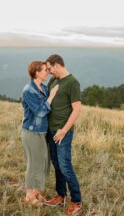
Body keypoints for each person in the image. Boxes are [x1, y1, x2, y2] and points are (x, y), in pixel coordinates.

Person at [44, 54, 83, 215]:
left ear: (57, 65)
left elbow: (77, 110)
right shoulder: (54, 81)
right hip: (50, 130)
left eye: (50, 68)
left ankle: (76, 201)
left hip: (62, 132)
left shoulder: (72, 82)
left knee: (65, 166)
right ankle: (61, 195)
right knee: (57, 165)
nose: (49, 72)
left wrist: (64, 130)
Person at [21, 61, 59, 206]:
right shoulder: (28, 90)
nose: (47, 72)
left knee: (42, 163)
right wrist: (52, 96)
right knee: (33, 164)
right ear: (36, 72)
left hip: (42, 132)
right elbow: (40, 112)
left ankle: (36, 192)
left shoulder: (43, 87)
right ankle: (29, 196)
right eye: (44, 70)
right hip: (31, 132)